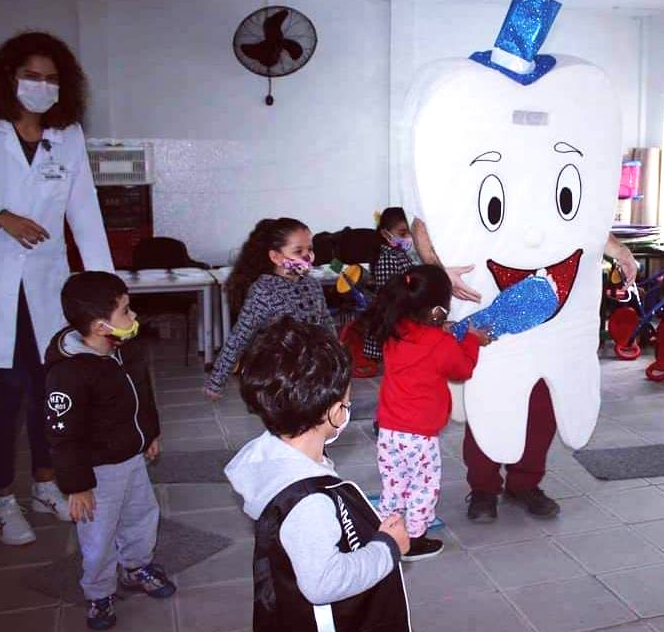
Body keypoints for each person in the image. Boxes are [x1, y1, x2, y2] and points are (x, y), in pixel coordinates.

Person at [0, 32, 113, 545]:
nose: (42, 86)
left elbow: (84, 210)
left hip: (45, 282)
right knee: (4, 392)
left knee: (48, 389)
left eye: (52, 79)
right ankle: (1, 499)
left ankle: (44, 484)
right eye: (32, 76)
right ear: (8, 77)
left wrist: (105, 289)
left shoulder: (68, 133)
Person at [411, 218, 639, 521]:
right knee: (488, 403)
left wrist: (620, 251)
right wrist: (438, 269)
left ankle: (524, 484)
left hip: (550, 325)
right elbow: (423, 220)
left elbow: (585, 217)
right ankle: (483, 488)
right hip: (489, 313)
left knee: (542, 407)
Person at [225, 318, 411, 632]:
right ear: (333, 412)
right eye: (345, 401)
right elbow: (324, 583)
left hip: (283, 622)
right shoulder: (308, 500)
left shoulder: (269, 457)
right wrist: (388, 547)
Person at [44, 272, 174, 631]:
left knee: (142, 516)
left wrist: (150, 433)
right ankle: (99, 593)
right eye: (126, 311)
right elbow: (63, 437)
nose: (133, 318)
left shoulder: (123, 349)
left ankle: (137, 567)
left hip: (131, 459)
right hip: (97, 472)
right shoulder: (68, 374)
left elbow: (142, 396)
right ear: (102, 326)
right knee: (98, 535)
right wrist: (77, 485)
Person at [363, 265, 492, 559]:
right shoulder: (439, 343)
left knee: (394, 484)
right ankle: (416, 539)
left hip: (388, 430)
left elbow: (422, 340)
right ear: (438, 310)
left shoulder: (394, 330)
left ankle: (389, 532)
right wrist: (472, 340)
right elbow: (462, 370)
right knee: (423, 486)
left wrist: (443, 329)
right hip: (420, 436)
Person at [205, 217, 333, 399]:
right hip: (281, 378)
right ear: (275, 257)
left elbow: (326, 323)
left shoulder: (313, 285)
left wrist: (337, 357)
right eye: (298, 251)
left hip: (314, 373)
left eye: (310, 249)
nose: (307, 256)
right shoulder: (263, 290)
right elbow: (240, 336)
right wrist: (217, 381)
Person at [362, 207, 415, 362]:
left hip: (402, 316)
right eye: (402, 233)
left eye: (410, 232)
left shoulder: (400, 254)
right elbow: (390, 295)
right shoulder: (387, 258)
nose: (408, 238)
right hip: (393, 319)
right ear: (386, 234)